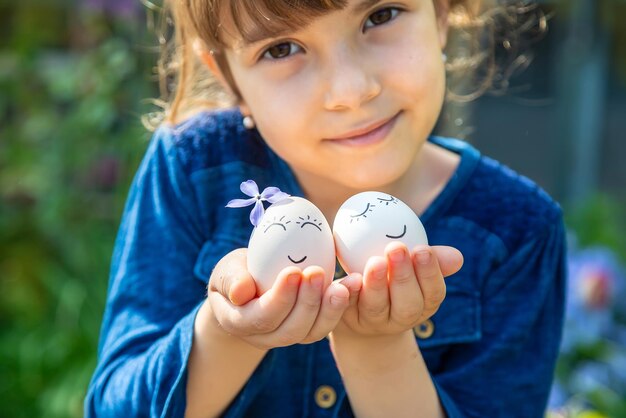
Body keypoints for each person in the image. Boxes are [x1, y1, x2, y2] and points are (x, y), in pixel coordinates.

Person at [84, 0, 567, 417]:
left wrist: (376, 343)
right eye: (280, 48)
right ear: (230, 79)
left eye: (382, 14)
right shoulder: (194, 169)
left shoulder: (517, 231)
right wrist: (231, 330)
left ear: (441, 13)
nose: (351, 91)